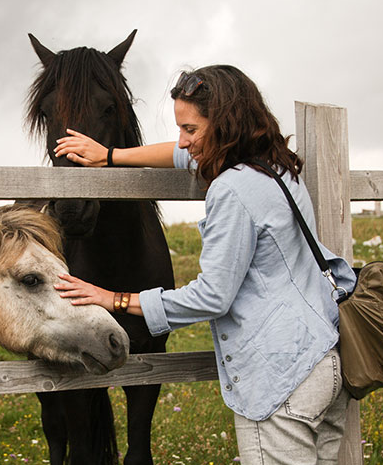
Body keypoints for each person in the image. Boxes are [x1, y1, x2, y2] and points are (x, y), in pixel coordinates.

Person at [53, 65, 356, 465]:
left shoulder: (232, 190)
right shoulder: (277, 167)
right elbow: (180, 154)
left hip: (280, 380)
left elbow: (213, 297)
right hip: (325, 362)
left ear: (225, 124)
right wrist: (110, 155)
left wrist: (116, 299)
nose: (183, 142)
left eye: (191, 130)